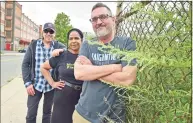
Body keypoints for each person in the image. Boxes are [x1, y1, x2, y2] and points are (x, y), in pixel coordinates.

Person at [72, 3, 137, 123]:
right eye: (94, 19)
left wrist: (92, 69)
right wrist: (115, 67)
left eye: (103, 16)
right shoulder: (87, 44)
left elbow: (127, 80)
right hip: (83, 116)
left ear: (113, 19)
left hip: (114, 118)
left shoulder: (126, 43)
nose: (98, 22)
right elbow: (79, 73)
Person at [22, 22, 65, 123]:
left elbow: (70, 51)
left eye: (51, 31)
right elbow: (25, 65)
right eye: (46, 31)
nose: (48, 33)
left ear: (54, 33)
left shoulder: (58, 45)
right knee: (31, 114)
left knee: (47, 114)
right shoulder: (33, 45)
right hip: (35, 85)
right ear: (42, 32)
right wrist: (28, 83)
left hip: (50, 86)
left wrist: (61, 50)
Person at [40, 28, 84, 123]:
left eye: (76, 38)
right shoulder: (61, 55)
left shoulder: (86, 56)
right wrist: (52, 83)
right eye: (71, 38)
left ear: (82, 40)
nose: (73, 41)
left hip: (82, 99)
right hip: (62, 100)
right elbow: (43, 68)